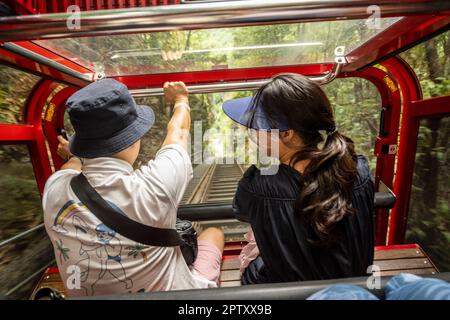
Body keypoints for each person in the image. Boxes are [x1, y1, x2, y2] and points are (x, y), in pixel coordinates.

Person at [42, 79, 224, 297]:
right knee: (213, 234)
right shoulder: (156, 185)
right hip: (178, 296)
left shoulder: (54, 189)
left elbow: (71, 166)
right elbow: (179, 132)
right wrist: (181, 98)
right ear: (134, 139)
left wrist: (74, 155)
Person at [222, 73, 375, 284]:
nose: (254, 133)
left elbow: (244, 212)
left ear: (287, 134)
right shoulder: (360, 171)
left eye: (259, 125)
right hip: (355, 290)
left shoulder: (257, 187)